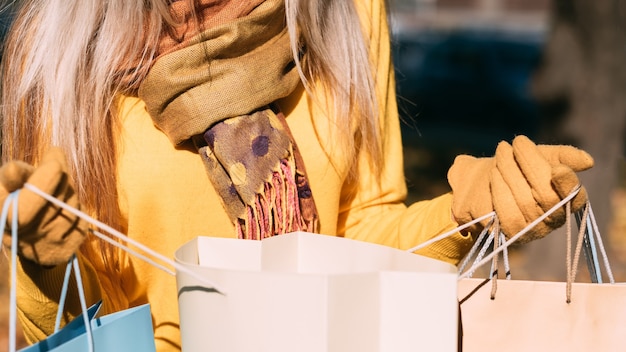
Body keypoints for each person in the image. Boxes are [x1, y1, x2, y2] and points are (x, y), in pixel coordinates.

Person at [0, 0, 593, 351]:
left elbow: (358, 235)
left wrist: (471, 215)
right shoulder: (58, 50)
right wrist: (41, 266)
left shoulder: (340, 13)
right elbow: (62, 328)